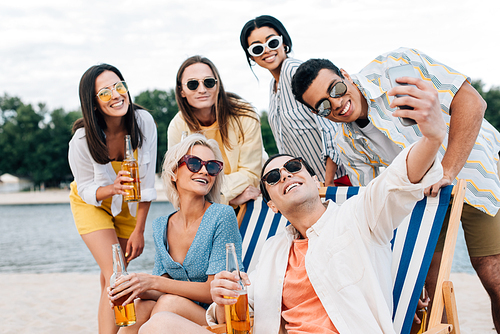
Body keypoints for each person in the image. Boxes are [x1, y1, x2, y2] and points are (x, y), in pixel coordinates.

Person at [137, 74, 447, 333]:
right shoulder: (273, 251)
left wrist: (431, 138)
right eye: (272, 177)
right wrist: (220, 300)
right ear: (271, 204)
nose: (285, 174)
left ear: (316, 182)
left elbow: (396, 181)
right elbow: (239, 311)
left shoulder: (360, 216)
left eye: (294, 167)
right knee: (158, 323)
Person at [291, 48, 500, 332]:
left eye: (336, 89)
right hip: (424, 200)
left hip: (474, 169)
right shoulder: (347, 145)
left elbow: (472, 103)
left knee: (493, 275)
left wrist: (448, 170)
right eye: (324, 106)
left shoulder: (396, 68)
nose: (337, 104)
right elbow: (381, 207)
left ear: (345, 75)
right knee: (429, 290)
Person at [108, 134, 244, 333]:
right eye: (195, 163)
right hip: (176, 311)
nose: (205, 170)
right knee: (139, 307)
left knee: (168, 304)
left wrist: (153, 281)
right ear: (173, 173)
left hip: (216, 316)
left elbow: (213, 290)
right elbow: (159, 288)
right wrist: (136, 287)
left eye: (212, 166)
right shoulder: (161, 225)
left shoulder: (221, 215)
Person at [68, 64, 157, 333]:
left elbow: (148, 183)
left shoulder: (143, 122)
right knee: (116, 274)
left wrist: (139, 230)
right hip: (92, 203)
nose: (116, 95)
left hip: (129, 206)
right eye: (105, 92)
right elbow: (85, 189)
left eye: (119, 86)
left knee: (108, 278)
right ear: (93, 103)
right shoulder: (82, 140)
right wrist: (111, 188)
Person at [239, 15, 349, 186]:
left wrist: (328, 184)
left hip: (337, 180)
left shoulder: (295, 71)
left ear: (284, 43)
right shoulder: (273, 86)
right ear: (251, 57)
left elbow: (330, 129)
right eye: (257, 49)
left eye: (272, 42)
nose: (267, 50)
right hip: (310, 185)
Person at [168, 55, 263, 207]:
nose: (202, 89)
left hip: (248, 202)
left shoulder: (245, 115)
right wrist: (225, 199)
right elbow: (178, 180)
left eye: (209, 82)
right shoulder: (177, 127)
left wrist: (210, 193)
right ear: (181, 91)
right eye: (193, 84)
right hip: (209, 205)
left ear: (218, 85)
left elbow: (250, 173)